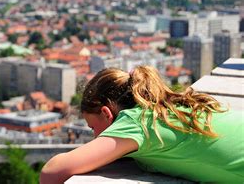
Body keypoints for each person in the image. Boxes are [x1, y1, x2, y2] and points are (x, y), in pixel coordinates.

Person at [40, 66, 244, 183]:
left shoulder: (138, 121)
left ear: (107, 114)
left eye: (93, 127)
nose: (95, 137)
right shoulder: (174, 107)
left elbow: (51, 172)